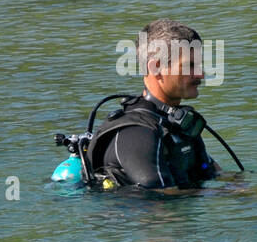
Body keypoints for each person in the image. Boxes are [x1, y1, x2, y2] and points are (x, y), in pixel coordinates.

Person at [83, 19, 237, 190]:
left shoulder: (179, 122)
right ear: (156, 67)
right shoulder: (137, 133)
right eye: (190, 66)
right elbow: (163, 202)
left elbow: (216, 176)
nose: (201, 74)